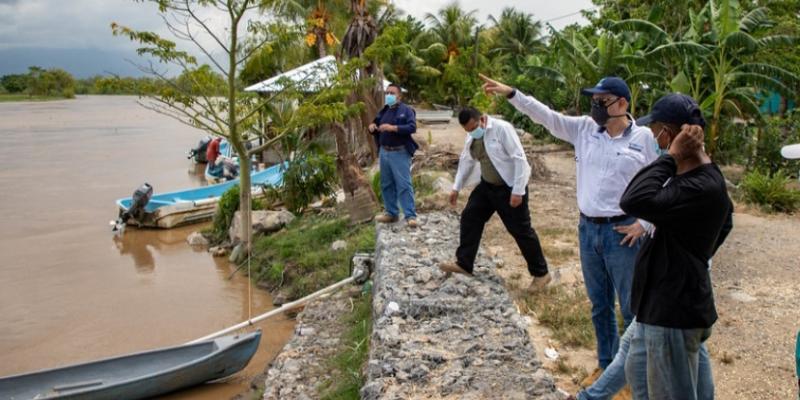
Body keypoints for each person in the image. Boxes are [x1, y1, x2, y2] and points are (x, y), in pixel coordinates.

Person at [480, 74, 658, 370]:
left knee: (630, 308)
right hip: (588, 230)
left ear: (622, 103)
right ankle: (606, 366)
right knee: (600, 306)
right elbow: (547, 117)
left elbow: (661, 182)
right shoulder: (586, 129)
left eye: (601, 101)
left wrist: (645, 223)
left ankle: (632, 374)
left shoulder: (644, 140)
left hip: (623, 233)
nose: (595, 107)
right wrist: (513, 93)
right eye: (593, 101)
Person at [620, 93, 734, 399]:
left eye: (656, 131)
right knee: (637, 369)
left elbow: (633, 199)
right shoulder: (698, 176)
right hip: (658, 307)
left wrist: (669, 157)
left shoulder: (695, 185)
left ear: (669, 135)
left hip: (673, 312)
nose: (654, 139)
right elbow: (726, 222)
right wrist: (696, 253)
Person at [438, 107, 550, 290]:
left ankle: (541, 274)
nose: (471, 132)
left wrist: (517, 191)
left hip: (509, 187)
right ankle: (464, 264)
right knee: (470, 216)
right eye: (467, 130)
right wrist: (456, 188)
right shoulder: (472, 135)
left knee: (520, 230)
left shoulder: (502, 129)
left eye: (473, 127)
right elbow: (467, 160)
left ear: (482, 119)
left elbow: (519, 159)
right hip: (487, 186)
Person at [369, 83, 419, 228]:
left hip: (400, 152)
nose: (389, 95)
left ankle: (410, 215)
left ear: (399, 96)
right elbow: (376, 125)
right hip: (385, 152)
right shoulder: (384, 111)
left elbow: (412, 127)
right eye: (387, 93)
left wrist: (393, 128)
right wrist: (372, 127)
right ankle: (391, 213)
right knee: (386, 184)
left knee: (404, 184)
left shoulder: (407, 110)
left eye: (392, 93)